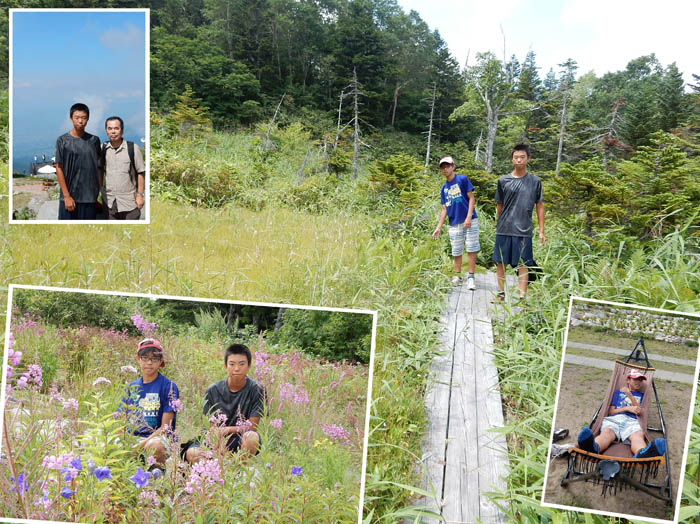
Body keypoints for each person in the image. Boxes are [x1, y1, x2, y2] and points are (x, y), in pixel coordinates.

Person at [184, 344, 265, 463]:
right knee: (193, 453)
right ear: (225, 366)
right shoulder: (213, 390)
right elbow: (211, 428)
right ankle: (214, 475)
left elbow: (253, 426)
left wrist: (226, 430)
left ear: (249, 366)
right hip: (214, 437)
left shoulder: (257, 389)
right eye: (232, 364)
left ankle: (236, 472)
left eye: (242, 364)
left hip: (240, 437)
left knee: (252, 438)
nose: (237, 369)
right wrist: (220, 440)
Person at [492, 143, 545, 300]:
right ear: (512, 159)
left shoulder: (535, 182)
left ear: (528, 159)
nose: (519, 160)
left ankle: (522, 296)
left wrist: (541, 231)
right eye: (516, 157)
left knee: (523, 264)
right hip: (504, 228)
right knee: (501, 262)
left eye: (522, 157)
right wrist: (498, 223)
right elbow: (499, 205)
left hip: (524, 229)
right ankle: (501, 294)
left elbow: (540, 206)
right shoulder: (503, 181)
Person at [577, 370, 666, 458]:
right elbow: (611, 411)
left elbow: (638, 411)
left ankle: (642, 454)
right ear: (627, 380)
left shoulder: (642, 396)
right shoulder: (617, 393)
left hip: (632, 422)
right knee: (606, 433)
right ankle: (593, 447)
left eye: (640, 380)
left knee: (637, 436)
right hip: (615, 420)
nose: (638, 382)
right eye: (635, 379)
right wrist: (627, 408)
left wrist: (629, 394)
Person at [121, 338, 180, 467]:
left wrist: (140, 446)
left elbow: (165, 428)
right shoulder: (131, 388)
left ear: (161, 361)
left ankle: (156, 481)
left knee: (155, 445)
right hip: (133, 439)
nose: (149, 362)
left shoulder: (168, 387)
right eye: (145, 357)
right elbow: (122, 423)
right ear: (138, 358)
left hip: (157, 439)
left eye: (154, 359)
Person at [431, 156, 480, 289]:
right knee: (456, 250)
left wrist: (469, 217)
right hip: (454, 222)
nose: (445, 169)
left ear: (453, 166)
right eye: (443, 167)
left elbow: (471, 198)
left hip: (470, 220)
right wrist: (438, 227)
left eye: (448, 166)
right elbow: (444, 208)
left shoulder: (462, 179)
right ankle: (457, 275)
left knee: (471, 248)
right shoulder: (444, 189)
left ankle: (471, 277)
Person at [55, 103, 102, 220]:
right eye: (77, 117)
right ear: (71, 118)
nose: (80, 121)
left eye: (84, 118)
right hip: (69, 198)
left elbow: (98, 168)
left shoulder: (94, 141)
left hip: (90, 198)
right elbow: (59, 168)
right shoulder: (62, 141)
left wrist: (97, 193)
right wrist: (66, 196)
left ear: (88, 119)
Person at [102, 116, 146, 220]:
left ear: (122, 130)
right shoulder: (103, 149)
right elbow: (99, 170)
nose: (113, 132)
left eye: (116, 128)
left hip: (130, 202)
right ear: (106, 130)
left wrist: (140, 195)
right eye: (110, 128)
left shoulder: (132, 148)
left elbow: (141, 172)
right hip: (109, 202)